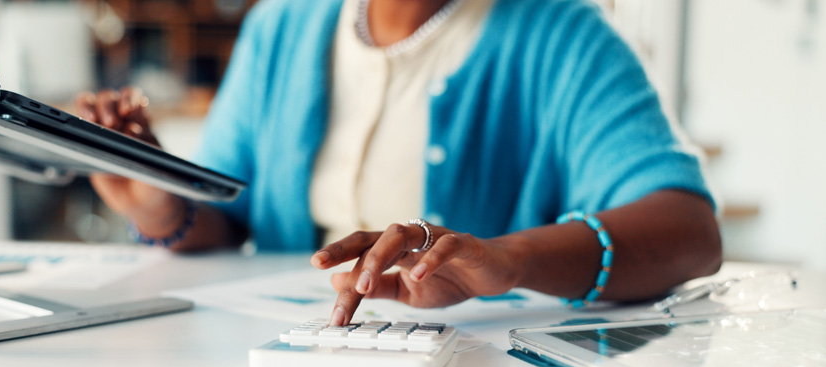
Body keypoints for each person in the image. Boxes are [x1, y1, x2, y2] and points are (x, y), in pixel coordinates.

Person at [76, 0, 722, 327]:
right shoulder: (284, 23)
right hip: (283, 362)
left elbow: (688, 232)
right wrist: (162, 206)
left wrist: (509, 259)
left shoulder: (565, 33)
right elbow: (227, 217)